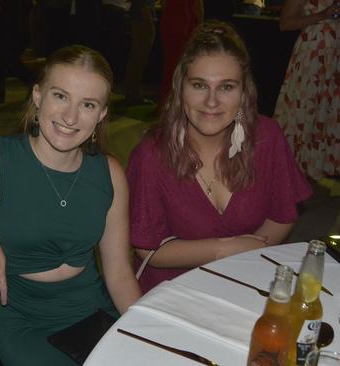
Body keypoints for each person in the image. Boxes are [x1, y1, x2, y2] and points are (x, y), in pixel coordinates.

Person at [0, 45, 141, 365]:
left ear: (101, 114)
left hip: (91, 309)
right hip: (22, 318)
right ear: (37, 95)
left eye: (87, 104)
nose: (70, 117)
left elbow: (119, 275)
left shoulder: (110, 174)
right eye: (60, 96)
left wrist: (147, 333)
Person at [127, 21, 313, 294]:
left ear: (243, 92)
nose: (211, 102)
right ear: (181, 89)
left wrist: (247, 256)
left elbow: (283, 214)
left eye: (226, 87)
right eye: (199, 85)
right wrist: (224, 249)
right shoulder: (151, 154)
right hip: (173, 291)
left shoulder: (267, 137)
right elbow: (148, 248)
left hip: (246, 279)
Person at [273, 0, 340, 180]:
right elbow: (285, 24)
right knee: (304, 110)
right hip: (313, 54)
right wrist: (323, 14)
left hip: (337, 57)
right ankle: (291, 169)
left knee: (329, 112)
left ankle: (320, 165)